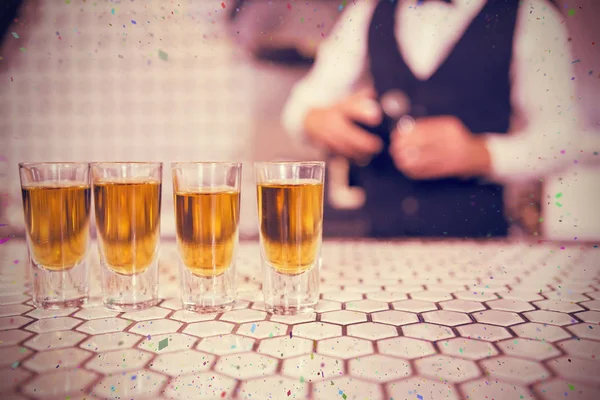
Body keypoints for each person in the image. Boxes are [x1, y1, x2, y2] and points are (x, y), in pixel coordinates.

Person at [282, 0, 592, 238]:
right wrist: (317, 120)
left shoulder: (532, 15)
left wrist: (480, 154)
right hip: (379, 246)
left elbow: (563, 140)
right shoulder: (368, 10)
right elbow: (299, 107)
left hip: (482, 255)